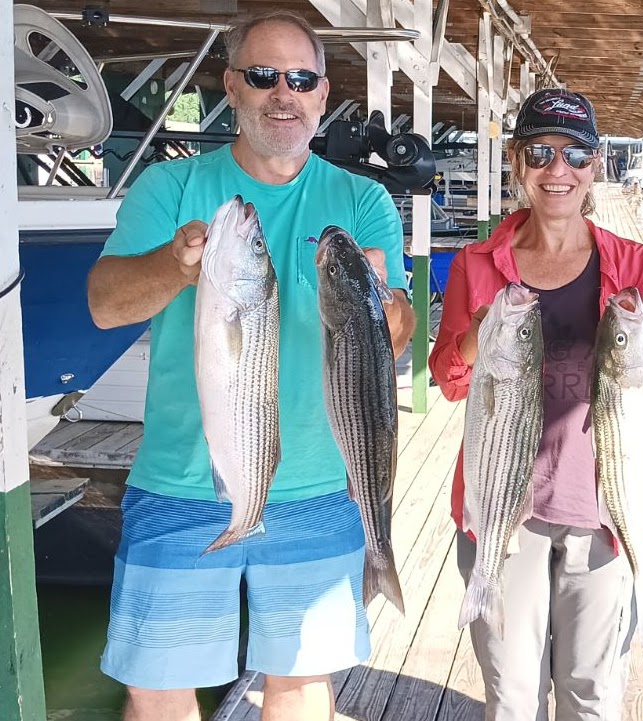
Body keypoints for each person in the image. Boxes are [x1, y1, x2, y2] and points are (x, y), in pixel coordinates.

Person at [87, 11, 415, 721]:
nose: (283, 94)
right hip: (179, 481)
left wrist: (391, 315)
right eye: (264, 76)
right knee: (155, 684)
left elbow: (398, 335)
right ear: (231, 86)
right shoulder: (169, 188)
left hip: (323, 486)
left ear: (324, 94)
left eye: (301, 79)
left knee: (298, 681)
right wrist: (174, 263)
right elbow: (107, 306)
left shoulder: (362, 200)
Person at [429, 87, 643, 720]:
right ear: (518, 163)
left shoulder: (637, 264)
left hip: (605, 509)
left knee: (592, 695)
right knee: (512, 696)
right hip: (502, 505)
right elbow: (449, 377)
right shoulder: (477, 262)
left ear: (595, 166)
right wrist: (479, 333)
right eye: (541, 152)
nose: (559, 170)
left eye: (576, 154)